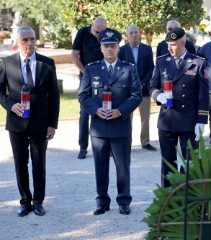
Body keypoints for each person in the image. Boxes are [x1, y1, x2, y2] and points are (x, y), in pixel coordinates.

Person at [78, 28, 142, 215]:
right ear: (101, 47)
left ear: (118, 48)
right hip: (99, 127)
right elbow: (83, 95)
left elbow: (136, 95)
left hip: (120, 126)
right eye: (106, 46)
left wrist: (120, 111)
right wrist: (95, 110)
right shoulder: (92, 68)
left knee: (122, 166)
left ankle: (124, 200)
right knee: (100, 166)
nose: (109, 50)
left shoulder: (129, 68)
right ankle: (102, 201)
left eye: (113, 46)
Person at [0, 26, 60, 217]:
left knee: (39, 163)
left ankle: (39, 201)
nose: (29, 43)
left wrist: (52, 124)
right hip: (16, 123)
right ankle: (25, 201)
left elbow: (54, 96)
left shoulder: (47, 63)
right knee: (20, 163)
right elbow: (1, 92)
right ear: (17, 42)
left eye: (32, 39)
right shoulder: (6, 63)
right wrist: (11, 105)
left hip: (40, 123)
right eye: (25, 40)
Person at [149, 27, 209, 187]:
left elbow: (203, 94)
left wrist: (202, 120)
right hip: (167, 120)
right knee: (168, 163)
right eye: (168, 44)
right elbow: (152, 86)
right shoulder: (162, 61)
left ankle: (188, 197)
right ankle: (167, 199)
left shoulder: (197, 63)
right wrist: (158, 95)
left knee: (190, 163)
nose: (169, 48)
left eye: (173, 44)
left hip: (188, 121)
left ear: (183, 43)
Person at [71, 17, 107, 159]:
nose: (99, 35)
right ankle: (83, 147)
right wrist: (86, 73)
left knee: (105, 110)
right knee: (85, 113)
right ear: (91, 26)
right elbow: (74, 56)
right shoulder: (82, 33)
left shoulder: (107, 34)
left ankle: (105, 146)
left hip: (104, 79)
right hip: (86, 79)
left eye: (101, 32)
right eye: (96, 32)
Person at [118, 24, 156, 151]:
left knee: (145, 117)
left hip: (143, 90)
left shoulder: (147, 49)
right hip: (127, 91)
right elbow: (120, 69)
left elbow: (151, 68)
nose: (134, 35)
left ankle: (145, 142)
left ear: (139, 33)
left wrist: (143, 82)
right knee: (127, 118)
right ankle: (126, 142)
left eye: (136, 32)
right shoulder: (121, 50)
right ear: (127, 35)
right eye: (131, 33)